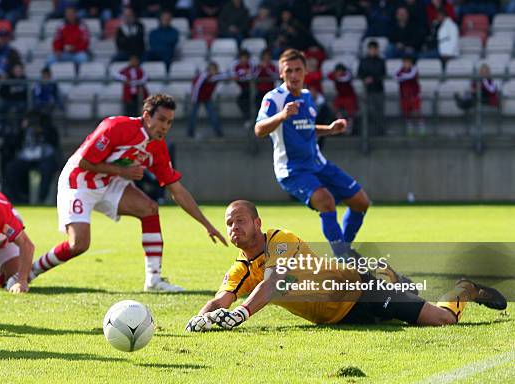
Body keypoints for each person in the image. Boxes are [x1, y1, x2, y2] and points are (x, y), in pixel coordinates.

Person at [185, 200, 507, 331]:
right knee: (400, 302)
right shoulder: (240, 269)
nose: (233, 229)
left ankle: (465, 289)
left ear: (257, 222)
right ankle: (393, 278)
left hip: (359, 291)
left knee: (440, 320)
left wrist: (241, 313)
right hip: (341, 319)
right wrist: (200, 320)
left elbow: (274, 282)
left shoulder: (281, 239)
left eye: (239, 221)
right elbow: (220, 300)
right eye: (228, 224)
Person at [30, 94, 228, 292]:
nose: (165, 126)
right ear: (146, 116)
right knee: (79, 244)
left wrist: (206, 224)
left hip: (108, 183)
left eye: (169, 122)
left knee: (150, 209)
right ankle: (31, 270)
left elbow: (176, 189)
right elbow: (83, 162)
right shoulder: (116, 127)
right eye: (161, 120)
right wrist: (122, 172)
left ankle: (154, 280)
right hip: (79, 182)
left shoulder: (158, 147)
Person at [254, 49, 370, 257]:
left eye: (298, 70)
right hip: (292, 169)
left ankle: (343, 248)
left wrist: (330, 129)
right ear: (281, 73)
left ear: (306, 71)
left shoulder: (308, 97)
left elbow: (306, 127)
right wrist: (281, 115)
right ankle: (342, 257)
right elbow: (259, 130)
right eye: (288, 71)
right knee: (325, 200)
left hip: (318, 163)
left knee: (360, 201)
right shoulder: (274, 99)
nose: (294, 75)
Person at [187, 61, 228, 139]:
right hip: (197, 98)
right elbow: (196, 86)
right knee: (193, 115)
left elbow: (224, 75)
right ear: (208, 69)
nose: (213, 71)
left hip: (207, 98)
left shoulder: (217, 75)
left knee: (213, 115)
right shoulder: (204, 75)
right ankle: (190, 132)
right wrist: (194, 98)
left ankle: (218, 132)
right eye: (211, 69)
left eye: (214, 70)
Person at [358, 40, 386, 136]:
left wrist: (373, 79)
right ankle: (368, 133)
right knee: (368, 112)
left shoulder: (381, 61)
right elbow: (359, 73)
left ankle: (381, 132)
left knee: (379, 112)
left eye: (375, 49)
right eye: (371, 49)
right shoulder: (364, 61)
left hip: (378, 90)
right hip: (367, 91)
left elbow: (382, 74)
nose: (373, 51)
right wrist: (365, 79)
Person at [395, 55, 424, 135]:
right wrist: (401, 76)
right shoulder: (400, 70)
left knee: (417, 111)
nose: (406, 64)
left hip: (414, 95)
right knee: (407, 113)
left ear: (411, 63)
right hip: (404, 96)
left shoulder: (414, 70)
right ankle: (409, 128)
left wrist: (402, 76)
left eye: (408, 62)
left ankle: (421, 127)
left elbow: (411, 76)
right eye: (405, 62)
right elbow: (395, 77)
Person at [328, 63, 358, 135]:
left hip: (349, 97)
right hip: (340, 97)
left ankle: (349, 129)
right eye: (337, 71)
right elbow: (329, 75)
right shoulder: (335, 76)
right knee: (335, 108)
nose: (339, 73)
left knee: (350, 113)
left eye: (340, 71)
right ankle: (340, 125)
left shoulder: (347, 77)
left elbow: (349, 77)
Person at [231, 49, 254, 127]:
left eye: (246, 58)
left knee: (249, 100)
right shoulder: (235, 65)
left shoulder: (250, 64)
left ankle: (250, 119)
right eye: (242, 57)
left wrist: (247, 73)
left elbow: (252, 75)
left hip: (249, 86)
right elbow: (234, 76)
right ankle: (247, 118)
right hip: (238, 86)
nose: (244, 59)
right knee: (241, 101)